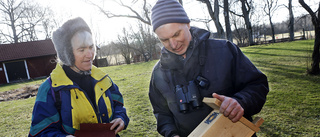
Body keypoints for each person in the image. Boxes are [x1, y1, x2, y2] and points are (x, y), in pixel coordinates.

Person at [148, 0, 269, 137]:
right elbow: (162, 114)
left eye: (176, 34)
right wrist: (172, 134)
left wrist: (240, 102)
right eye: (164, 40)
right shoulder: (159, 73)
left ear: (188, 24)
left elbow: (258, 85)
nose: (174, 45)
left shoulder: (225, 50)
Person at [28, 17, 129, 137]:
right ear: (66, 54)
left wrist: (120, 117)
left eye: (91, 47)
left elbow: (118, 104)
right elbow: (40, 132)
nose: (90, 55)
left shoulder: (103, 78)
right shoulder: (51, 89)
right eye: (82, 50)